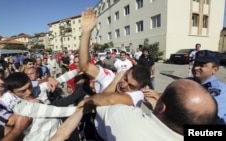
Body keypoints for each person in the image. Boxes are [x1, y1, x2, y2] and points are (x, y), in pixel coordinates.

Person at [51, 79, 218, 141]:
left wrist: (88, 100)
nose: (125, 85)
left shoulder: (125, 118)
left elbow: (103, 100)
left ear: (162, 106)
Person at [79, 8, 150, 108]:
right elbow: (84, 66)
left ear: (139, 88)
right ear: (125, 72)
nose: (124, 85)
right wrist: (86, 33)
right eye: (125, 78)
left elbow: (106, 101)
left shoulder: (136, 95)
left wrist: (115, 81)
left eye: (131, 86)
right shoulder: (109, 76)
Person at [189, 49, 226, 124]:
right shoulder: (186, 82)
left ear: (215, 70)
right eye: (196, 64)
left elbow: (206, 117)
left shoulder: (222, 90)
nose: (196, 68)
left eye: (202, 65)